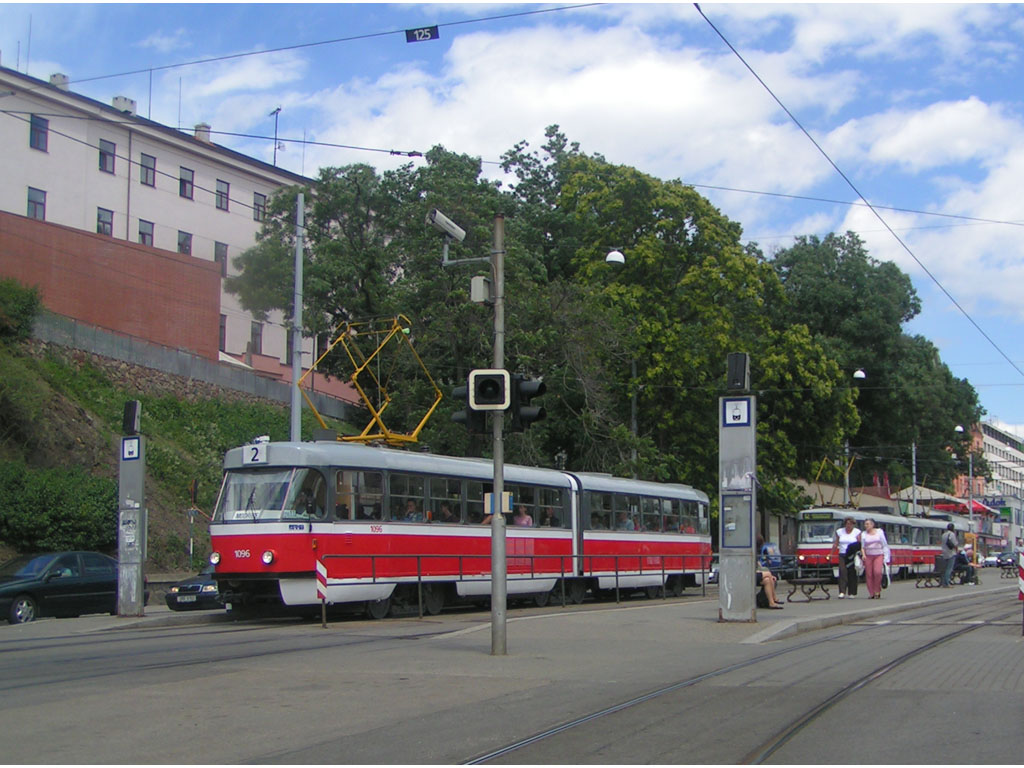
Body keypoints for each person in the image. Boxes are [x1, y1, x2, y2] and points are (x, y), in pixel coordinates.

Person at [828, 517, 861, 598]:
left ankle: (852, 592)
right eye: (847, 524)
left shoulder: (857, 532)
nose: (848, 525)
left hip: (852, 554)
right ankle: (842, 591)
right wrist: (831, 554)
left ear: (853, 524)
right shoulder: (840, 532)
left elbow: (860, 543)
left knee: (852, 572)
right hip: (842, 554)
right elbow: (836, 543)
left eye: (850, 524)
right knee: (842, 572)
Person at [860, 518, 888, 599]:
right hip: (868, 555)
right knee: (869, 574)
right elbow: (862, 546)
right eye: (865, 524)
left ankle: (877, 590)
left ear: (872, 525)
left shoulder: (879, 532)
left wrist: (886, 556)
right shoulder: (864, 534)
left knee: (877, 572)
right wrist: (863, 555)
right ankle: (871, 593)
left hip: (878, 554)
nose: (866, 526)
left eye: (868, 524)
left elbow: (884, 544)